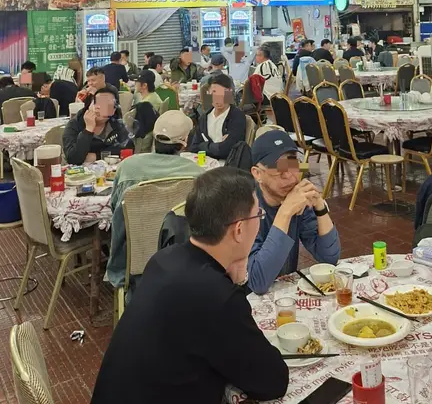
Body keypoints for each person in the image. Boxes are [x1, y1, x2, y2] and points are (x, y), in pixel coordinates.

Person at [91, 168, 288, 404]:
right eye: (258, 216)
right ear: (239, 229)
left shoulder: (164, 259)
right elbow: (273, 381)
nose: (259, 221)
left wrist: (233, 270)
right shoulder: (216, 296)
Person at [106, 110, 204, 290]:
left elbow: (115, 210)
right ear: (184, 142)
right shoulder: (197, 174)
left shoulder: (128, 168)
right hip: (182, 263)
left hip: (132, 265)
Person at [248, 129, 340, 294]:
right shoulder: (244, 208)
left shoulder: (298, 199)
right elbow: (258, 282)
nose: (289, 176)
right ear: (257, 174)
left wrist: (319, 205)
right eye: (278, 169)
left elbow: (329, 258)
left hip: (284, 295)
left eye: (293, 165)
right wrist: (285, 212)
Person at [63, 88, 132, 164]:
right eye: (95, 102)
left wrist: (97, 156)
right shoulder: (75, 124)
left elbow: (128, 148)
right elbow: (73, 159)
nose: (98, 107)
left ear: (113, 111)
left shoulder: (115, 123)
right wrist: (88, 130)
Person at [189, 72, 246, 161]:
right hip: (205, 163)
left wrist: (204, 145)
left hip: (227, 165)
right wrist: (218, 145)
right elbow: (194, 147)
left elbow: (226, 150)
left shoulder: (237, 116)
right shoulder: (204, 118)